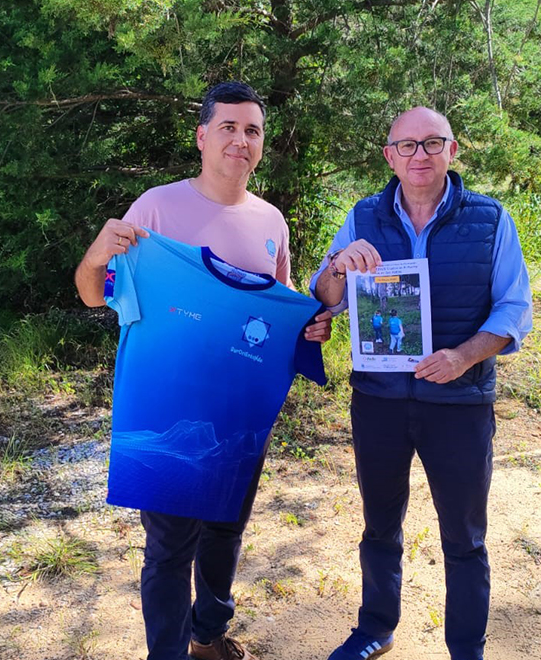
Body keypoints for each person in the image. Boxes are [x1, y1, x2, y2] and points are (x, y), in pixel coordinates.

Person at [75, 81, 332, 660]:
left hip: (241, 413)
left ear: (261, 143)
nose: (241, 140)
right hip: (168, 411)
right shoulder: (155, 210)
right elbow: (94, 295)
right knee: (169, 548)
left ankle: (207, 635)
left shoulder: (271, 221)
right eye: (228, 127)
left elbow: (281, 304)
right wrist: (96, 254)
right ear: (201, 136)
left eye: (252, 130)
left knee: (226, 531)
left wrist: (308, 327)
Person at [310, 107, 532, 660]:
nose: (419, 155)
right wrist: (337, 265)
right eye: (406, 146)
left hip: (459, 403)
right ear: (390, 156)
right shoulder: (362, 216)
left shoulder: (490, 219)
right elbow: (326, 298)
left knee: (465, 537)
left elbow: (514, 309)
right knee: (379, 526)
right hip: (378, 402)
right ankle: (376, 628)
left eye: (433, 143)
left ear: (452, 151)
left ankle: (467, 649)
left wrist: (463, 356)